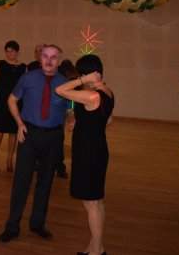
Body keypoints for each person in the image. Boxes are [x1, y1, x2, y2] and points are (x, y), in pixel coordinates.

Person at [0, 44, 68, 243]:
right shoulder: (28, 78)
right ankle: (12, 226)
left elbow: (71, 104)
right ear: (39, 57)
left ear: (59, 60)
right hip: (29, 134)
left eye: (53, 57)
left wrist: (71, 116)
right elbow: (11, 100)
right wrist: (19, 123)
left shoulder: (65, 83)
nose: (49, 60)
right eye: (45, 56)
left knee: (45, 182)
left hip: (53, 137)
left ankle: (37, 224)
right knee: (21, 181)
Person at [56, 54, 114, 255]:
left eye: (81, 73)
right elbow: (107, 120)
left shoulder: (92, 96)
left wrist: (82, 80)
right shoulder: (107, 92)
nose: (79, 77)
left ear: (88, 74)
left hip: (88, 152)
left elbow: (60, 90)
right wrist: (79, 120)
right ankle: (96, 247)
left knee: (91, 204)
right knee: (96, 201)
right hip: (98, 149)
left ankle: (96, 251)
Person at [0, 40, 26, 173]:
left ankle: (9, 160)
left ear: (17, 52)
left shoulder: (23, 67)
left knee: (13, 132)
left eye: (12, 51)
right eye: (7, 51)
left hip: (17, 102)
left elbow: (25, 87)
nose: (9, 54)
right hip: (2, 102)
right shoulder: (0, 64)